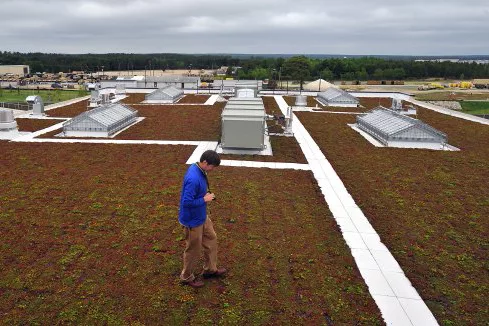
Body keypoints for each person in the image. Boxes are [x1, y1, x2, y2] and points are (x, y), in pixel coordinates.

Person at [178, 150, 226, 288]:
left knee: (211, 239)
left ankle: (210, 269)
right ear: (205, 162)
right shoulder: (193, 178)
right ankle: (186, 277)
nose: (212, 170)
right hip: (192, 220)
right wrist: (204, 199)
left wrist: (204, 195)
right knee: (193, 249)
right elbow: (186, 202)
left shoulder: (198, 168)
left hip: (202, 216)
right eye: (212, 167)